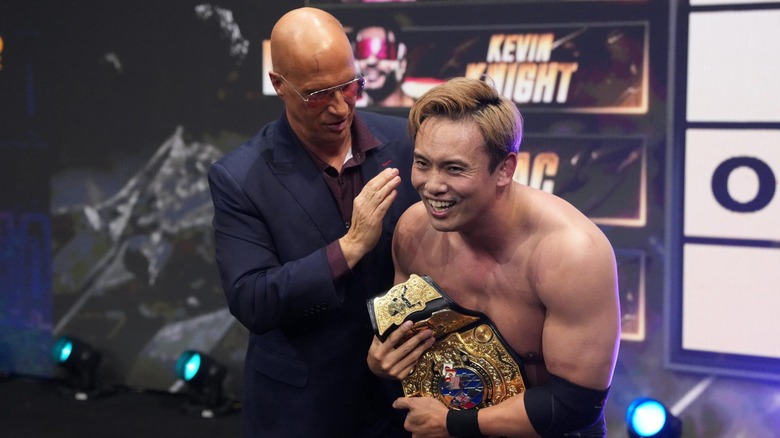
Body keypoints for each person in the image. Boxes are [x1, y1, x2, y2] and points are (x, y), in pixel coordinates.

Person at [367, 77, 621, 437]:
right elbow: (405, 341)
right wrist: (383, 360)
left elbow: (576, 404)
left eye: (454, 168)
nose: (432, 185)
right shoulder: (413, 231)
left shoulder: (572, 254)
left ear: (505, 169)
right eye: (423, 164)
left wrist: (454, 424)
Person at [207, 7, 418, 437]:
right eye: (319, 94)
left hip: (402, 401)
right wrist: (350, 247)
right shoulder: (241, 177)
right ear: (279, 86)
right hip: (302, 409)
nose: (341, 107)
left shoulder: (405, 141)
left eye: (350, 86)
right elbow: (253, 299)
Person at [354, 25, 415, 108]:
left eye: (383, 52)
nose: (371, 61)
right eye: (363, 51)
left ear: (402, 64)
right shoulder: (353, 115)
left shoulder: (421, 116)